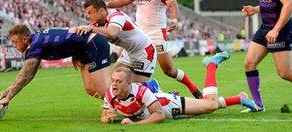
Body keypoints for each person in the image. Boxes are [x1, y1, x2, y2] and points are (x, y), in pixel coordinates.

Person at [106, 0, 202, 99]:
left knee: (169, 70)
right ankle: (127, 101)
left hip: (156, 33)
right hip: (138, 33)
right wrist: (107, 4)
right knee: (119, 72)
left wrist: (175, 20)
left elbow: (172, 6)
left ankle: (193, 88)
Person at [101, 52, 257, 124]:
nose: (114, 84)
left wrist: (135, 125)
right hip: (162, 103)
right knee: (204, 107)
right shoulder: (109, 94)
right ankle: (239, 98)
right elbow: (104, 116)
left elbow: (159, 116)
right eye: (113, 80)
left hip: (169, 105)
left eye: (118, 81)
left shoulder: (142, 91)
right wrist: (108, 118)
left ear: (129, 84)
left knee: (210, 104)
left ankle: (211, 65)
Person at [0, 24, 111, 108]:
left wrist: (8, 97)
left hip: (93, 44)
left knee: (102, 89)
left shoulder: (35, 45)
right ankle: (115, 102)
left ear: (24, 39)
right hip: (83, 50)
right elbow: (27, 75)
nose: (13, 45)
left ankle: (119, 102)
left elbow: (25, 76)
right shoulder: (36, 40)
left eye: (14, 42)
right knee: (90, 89)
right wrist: (6, 92)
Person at [241, 0, 292, 112]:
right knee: (249, 63)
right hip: (265, 29)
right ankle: (258, 105)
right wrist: (255, 9)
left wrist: (276, 29)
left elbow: (289, 4)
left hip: (278, 31)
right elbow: (270, 2)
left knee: (284, 73)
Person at [71, 0, 156, 83]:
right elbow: (89, 42)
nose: (88, 16)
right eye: (87, 13)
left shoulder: (116, 16)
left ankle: (154, 88)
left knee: (137, 89)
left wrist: (91, 29)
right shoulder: (95, 24)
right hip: (128, 52)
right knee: (113, 82)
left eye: (91, 12)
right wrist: (77, 56)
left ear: (101, 11)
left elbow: (112, 33)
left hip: (144, 51)